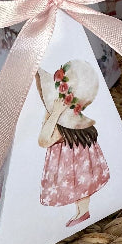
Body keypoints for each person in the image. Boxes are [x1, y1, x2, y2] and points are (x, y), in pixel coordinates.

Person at [37, 60, 109, 227]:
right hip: (74, 165)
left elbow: (43, 140)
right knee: (80, 186)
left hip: (73, 166)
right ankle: (82, 211)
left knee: (80, 185)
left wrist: (54, 113)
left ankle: (83, 212)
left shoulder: (64, 124)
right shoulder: (69, 122)